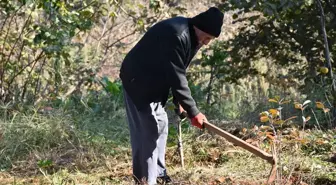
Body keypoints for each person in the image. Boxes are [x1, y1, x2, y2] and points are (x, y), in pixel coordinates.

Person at [119, 7, 224, 185]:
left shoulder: (193, 38)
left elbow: (178, 69)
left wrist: (180, 103)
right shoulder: (177, 34)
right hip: (137, 80)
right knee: (149, 130)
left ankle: (159, 175)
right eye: (206, 37)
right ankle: (145, 180)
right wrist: (194, 112)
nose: (206, 43)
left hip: (155, 83)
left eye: (210, 40)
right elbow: (177, 75)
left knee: (161, 125)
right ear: (198, 27)